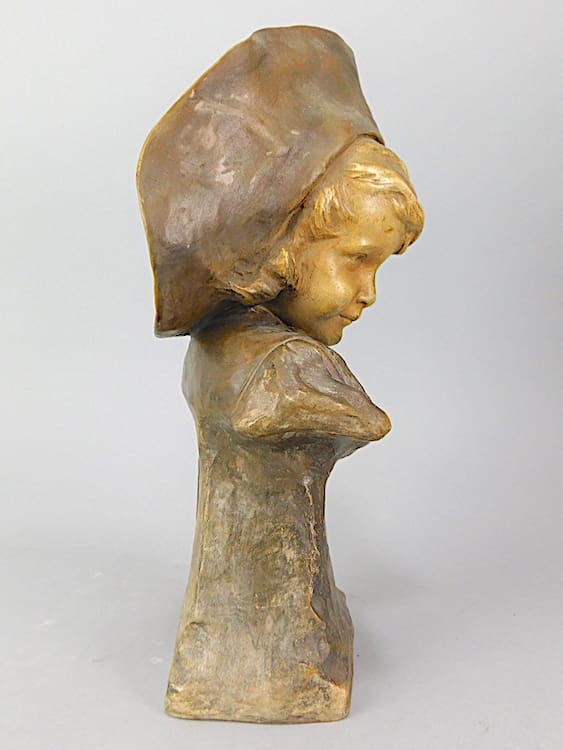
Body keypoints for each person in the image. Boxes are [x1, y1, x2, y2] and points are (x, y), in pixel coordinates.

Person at [138, 26, 424, 724]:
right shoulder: (289, 369)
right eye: (356, 259)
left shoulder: (216, 342)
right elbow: (368, 422)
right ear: (284, 245)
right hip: (281, 642)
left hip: (236, 618)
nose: (368, 292)